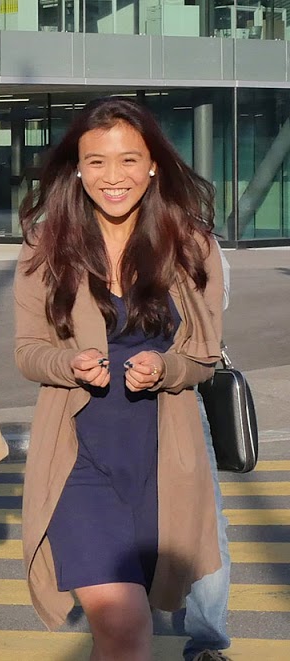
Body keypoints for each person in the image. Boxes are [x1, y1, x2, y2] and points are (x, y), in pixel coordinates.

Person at [14, 96, 224, 660]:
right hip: (77, 458)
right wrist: (68, 364)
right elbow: (28, 351)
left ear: (153, 164)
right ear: (77, 167)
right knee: (123, 621)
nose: (114, 177)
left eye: (129, 160)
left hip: (161, 459)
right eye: (97, 162)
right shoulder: (46, 243)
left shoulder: (191, 244)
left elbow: (205, 357)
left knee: (130, 629)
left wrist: (167, 368)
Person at [175, 238, 234, 661]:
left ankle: (208, 643)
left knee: (206, 523)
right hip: (113, 398)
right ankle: (206, 644)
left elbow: (213, 313)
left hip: (181, 393)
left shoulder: (195, 240)